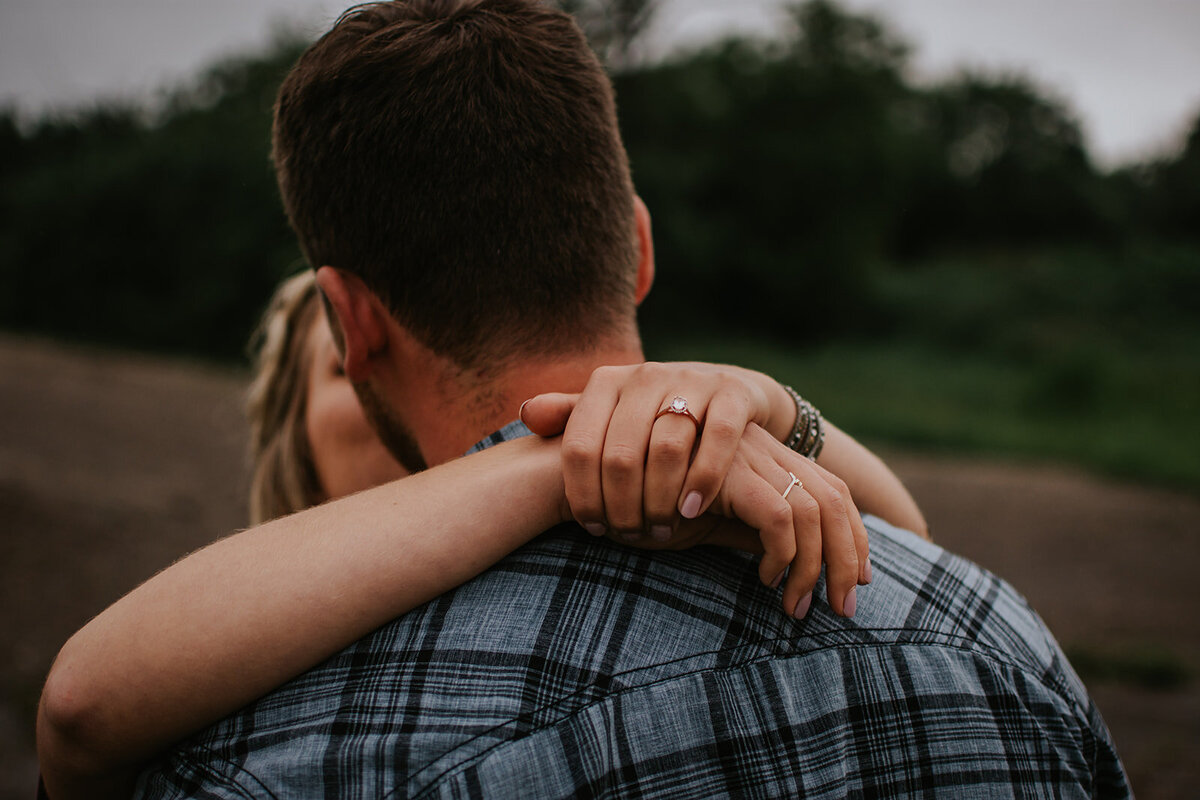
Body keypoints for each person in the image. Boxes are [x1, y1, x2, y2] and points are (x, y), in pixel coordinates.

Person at [86, 0, 1137, 795]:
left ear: (351, 321)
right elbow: (906, 535)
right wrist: (723, 418)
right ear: (637, 248)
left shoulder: (269, 751)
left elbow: (76, 717)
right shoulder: (998, 640)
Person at [36, 269, 927, 798]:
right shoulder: (210, 637)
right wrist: (548, 464)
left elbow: (907, 539)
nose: (378, 382)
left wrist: (767, 404)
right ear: (291, 415)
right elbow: (79, 716)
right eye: (340, 374)